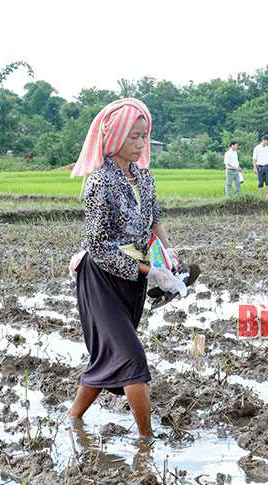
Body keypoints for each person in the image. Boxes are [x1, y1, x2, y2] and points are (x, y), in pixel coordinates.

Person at [66, 98, 184, 439]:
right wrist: (151, 272)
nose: (140, 144)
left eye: (143, 136)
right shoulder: (99, 183)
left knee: (109, 357)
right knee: (132, 360)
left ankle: (74, 418)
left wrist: (167, 251)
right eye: (134, 136)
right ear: (115, 137)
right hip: (102, 281)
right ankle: (147, 440)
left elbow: (153, 219)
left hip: (132, 282)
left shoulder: (144, 177)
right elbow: (99, 247)